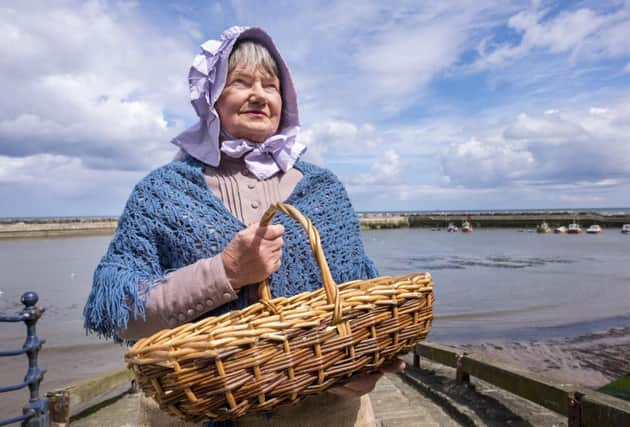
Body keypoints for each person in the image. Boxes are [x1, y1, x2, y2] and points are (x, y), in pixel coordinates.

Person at [83, 26, 404, 427]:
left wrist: (361, 366)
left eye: (271, 85)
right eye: (239, 81)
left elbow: (358, 302)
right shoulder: (162, 191)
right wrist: (226, 273)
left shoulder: (323, 189)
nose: (259, 94)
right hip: (194, 413)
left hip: (322, 413)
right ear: (211, 97)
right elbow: (122, 315)